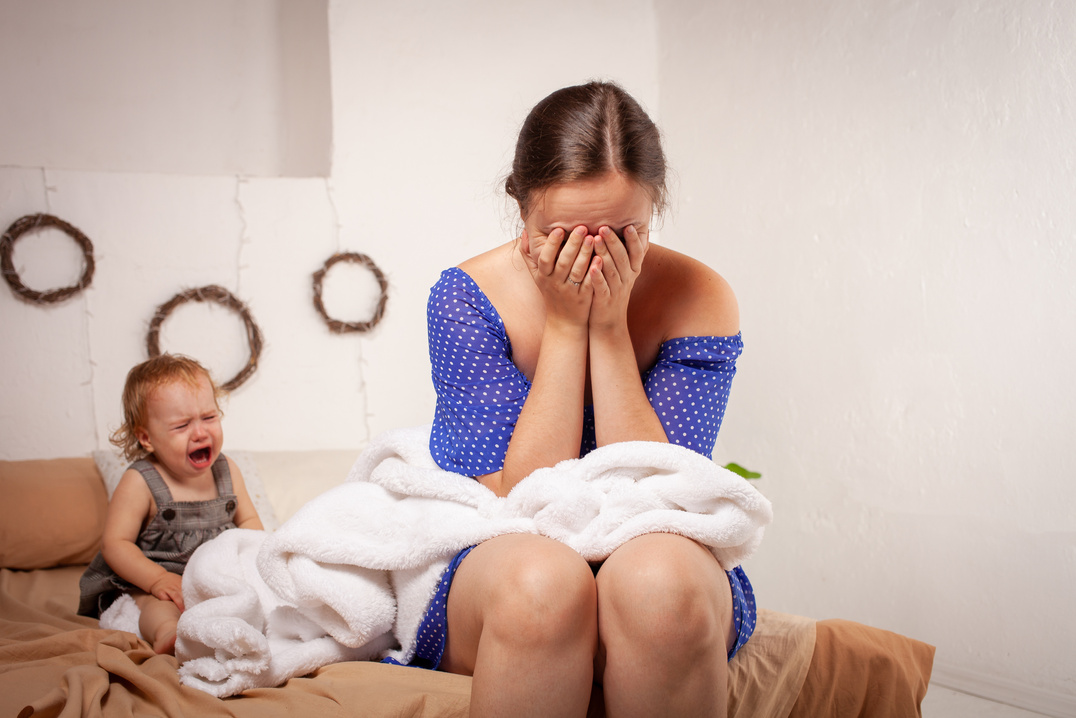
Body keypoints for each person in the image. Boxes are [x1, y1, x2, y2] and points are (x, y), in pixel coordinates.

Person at [419, 80, 754, 717]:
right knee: (542, 586)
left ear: (653, 209)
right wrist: (568, 327)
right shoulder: (467, 298)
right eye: (564, 235)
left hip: (656, 541)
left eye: (622, 233)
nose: (591, 259)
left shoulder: (699, 295)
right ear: (520, 207)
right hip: (512, 547)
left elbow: (659, 492)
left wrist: (609, 328)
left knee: (664, 587)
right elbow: (518, 499)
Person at [78, 354, 263, 654]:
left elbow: (249, 524)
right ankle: (168, 635)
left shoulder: (227, 470)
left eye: (209, 417)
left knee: (254, 602)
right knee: (158, 608)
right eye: (181, 425)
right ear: (146, 438)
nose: (200, 432)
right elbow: (115, 544)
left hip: (214, 577)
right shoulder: (141, 481)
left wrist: (253, 562)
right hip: (156, 579)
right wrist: (156, 579)